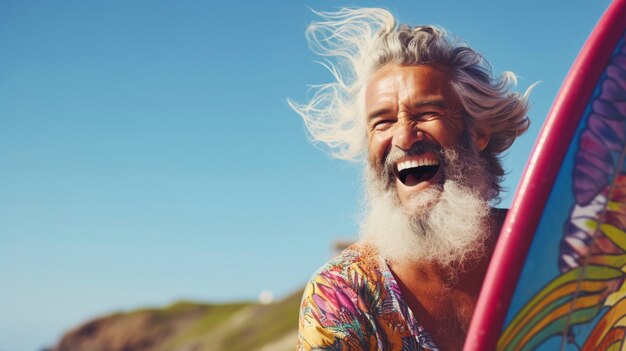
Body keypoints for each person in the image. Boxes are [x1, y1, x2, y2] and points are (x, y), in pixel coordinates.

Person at [289, 7, 532, 351]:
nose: (404, 138)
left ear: (478, 133)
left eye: (427, 113)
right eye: (383, 122)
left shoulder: (549, 247)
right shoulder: (343, 293)